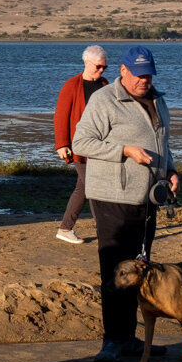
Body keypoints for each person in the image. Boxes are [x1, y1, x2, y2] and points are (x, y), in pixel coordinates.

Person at [71, 44, 178, 362]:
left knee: (139, 270)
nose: (144, 80)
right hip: (112, 197)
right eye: (139, 75)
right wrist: (126, 150)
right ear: (123, 70)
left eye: (149, 74)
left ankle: (130, 338)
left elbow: (164, 142)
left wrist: (171, 170)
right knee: (115, 272)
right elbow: (81, 141)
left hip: (147, 199)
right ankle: (111, 341)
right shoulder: (104, 100)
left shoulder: (158, 99)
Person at [52, 45, 109, 244]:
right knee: (93, 186)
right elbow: (61, 115)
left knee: (83, 188)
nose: (101, 70)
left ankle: (66, 228)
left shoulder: (104, 84)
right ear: (87, 63)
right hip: (79, 147)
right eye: (98, 66)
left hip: (100, 146)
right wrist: (61, 144)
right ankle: (104, 230)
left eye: (104, 67)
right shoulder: (72, 85)